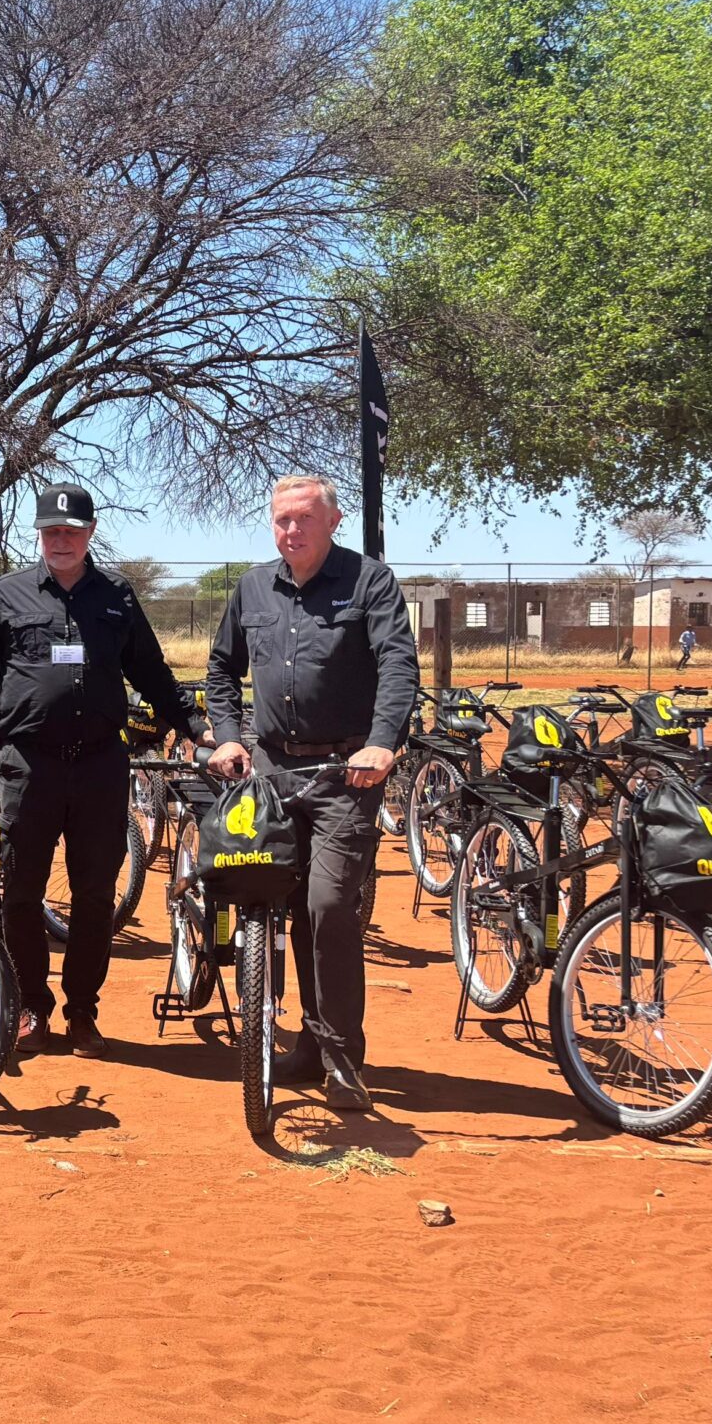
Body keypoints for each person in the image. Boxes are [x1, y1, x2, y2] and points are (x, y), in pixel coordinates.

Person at [0, 483, 199, 1055]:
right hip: (27, 766)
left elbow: (153, 674)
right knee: (20, 894)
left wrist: (196, 728)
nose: (60, 540)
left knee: (94, 896)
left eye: (71, 531)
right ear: (38, 536)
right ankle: (31, 1008)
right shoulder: (8, 595)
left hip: (98, 767)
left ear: (89, 533)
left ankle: (82, 1011)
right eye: (50, 531)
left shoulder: (117, 596)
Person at [205, 474, 419, 1110]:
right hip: (270, 772)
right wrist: (225, 734)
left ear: (332, 521)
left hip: (344, 774)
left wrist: (382, 741)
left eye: (303, 519)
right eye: (280, 520)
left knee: (327, 906)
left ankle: (342, 1053)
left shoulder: (369, 582)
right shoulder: (252, 586)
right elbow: (221, 666)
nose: (290, 530)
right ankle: (306, 1042)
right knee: (278, 899)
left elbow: (398, 665)